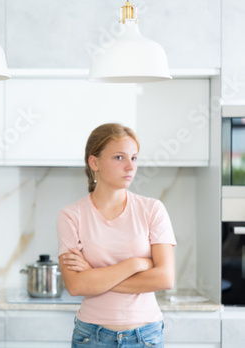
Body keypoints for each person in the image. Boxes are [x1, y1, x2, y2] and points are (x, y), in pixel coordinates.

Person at [57, 123, 176, 348]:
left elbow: (164, 278)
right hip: (91, 336)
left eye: (134, 158)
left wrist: (93, 276)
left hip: (146, 335)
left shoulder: (152, 209)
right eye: (119, 158)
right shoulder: (71, 216)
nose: (130, 167)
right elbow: (75, 285)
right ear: (95, 162)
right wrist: (136, 264)